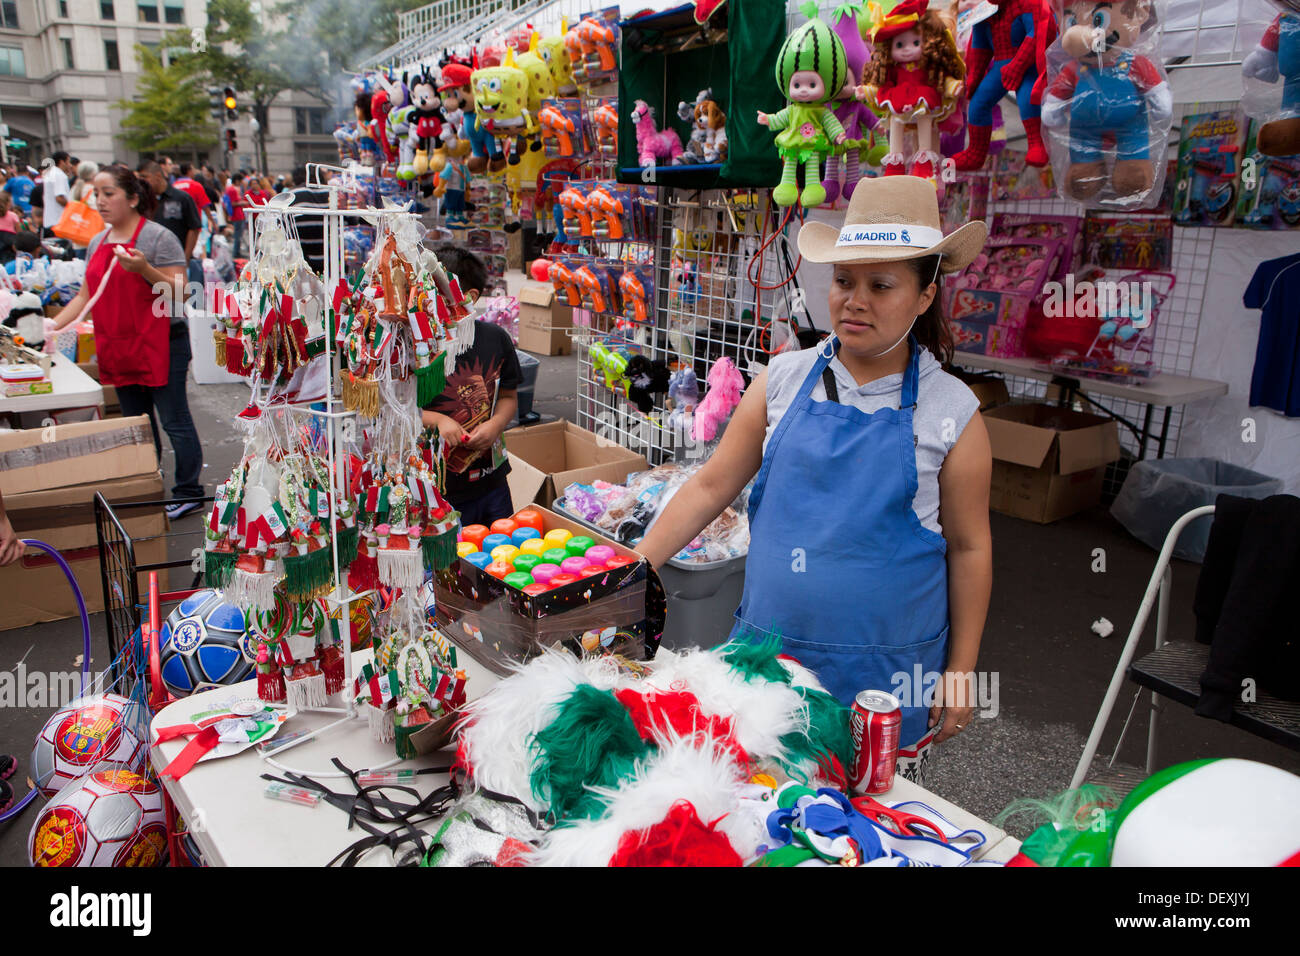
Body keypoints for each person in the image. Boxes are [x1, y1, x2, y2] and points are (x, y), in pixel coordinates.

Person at [637, 177, 993, 787]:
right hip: (768, 662)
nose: (855, 300)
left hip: (885, 679)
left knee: (866, 832)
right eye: (844, 280)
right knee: (759, 816)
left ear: (925, 294)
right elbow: (709, 487)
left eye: (881, 285)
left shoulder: (951, 412)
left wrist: (962, 670)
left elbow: (970, 548)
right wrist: (631, 571)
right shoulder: (781, 381)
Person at [48, 165, 205, 520]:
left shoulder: (158, 238)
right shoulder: (96, 242)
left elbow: (181, 293)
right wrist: (50, 327)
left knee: (173, 420)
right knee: (138, 423)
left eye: (108, 194)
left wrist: (145, 270)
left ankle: (189, 490)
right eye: (96, 194)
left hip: (162, 341)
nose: (100, 202)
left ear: (133, 199)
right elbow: (84, 296)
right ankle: (149, 483)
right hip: (119, 343)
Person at [419, 244, 521, 526]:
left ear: (469, 297)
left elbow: (509, 395)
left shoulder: (495, 338)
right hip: (435, 488)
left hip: (492, 482)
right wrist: (437, 419)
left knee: (499, 557)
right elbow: (392, 408)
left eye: (437, 294)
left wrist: (496, 424)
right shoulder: (416, 346)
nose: (428, 303)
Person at [139, 160, 202, 294]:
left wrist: (185, 258)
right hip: (149, 266)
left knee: (179, 301)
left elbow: (194, 228)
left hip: (177, 263)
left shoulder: (182, 198)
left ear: (157, 176)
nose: (142, 182)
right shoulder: (144, 202)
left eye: (145, 177)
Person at [68, 160, 100, 259]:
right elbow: (98, 210)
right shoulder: (90, 189)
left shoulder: (74, 188)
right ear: (94, 174)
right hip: (91, 238)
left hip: (78, 237)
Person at [41, 151, 74, 239]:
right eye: (68, 162)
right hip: (59, 221)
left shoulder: (50, 173)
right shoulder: (59, 175)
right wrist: (72, 208)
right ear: (62, 162)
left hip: (49, 221)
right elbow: (59, 197)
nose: (70, 165)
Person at [223, 172, 248, 257]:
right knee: (238, 235)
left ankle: (237, 252)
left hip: (236, 215)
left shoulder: (229, 189)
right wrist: (243, 203)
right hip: (237, 215)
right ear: (237, 181)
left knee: (238, 234)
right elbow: (234, 203)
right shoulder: (233, 190)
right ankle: (236, 253)